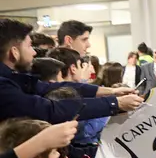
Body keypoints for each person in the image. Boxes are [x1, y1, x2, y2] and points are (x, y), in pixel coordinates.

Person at [0, 19, 142, 123]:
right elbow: (51, 110)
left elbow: (53, 87)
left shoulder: (14, 79)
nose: (34, 52)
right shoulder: (4, 87)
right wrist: (115, 103)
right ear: (14, 52)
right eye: (29, 46)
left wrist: (111, 92)